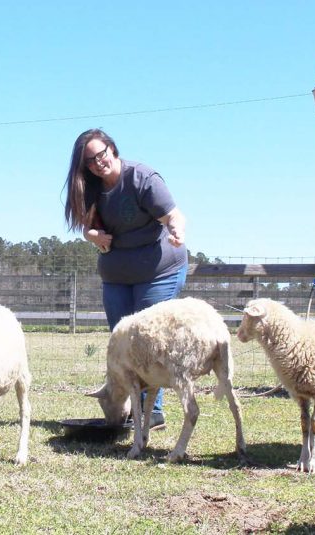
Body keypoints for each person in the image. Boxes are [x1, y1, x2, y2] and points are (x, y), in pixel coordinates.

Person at [63, 128, 188, 430]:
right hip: (117, 275)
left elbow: (174, 215)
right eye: (90, 161)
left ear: (112, 148)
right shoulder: (91, 187)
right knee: (122, 342)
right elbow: (87, 228)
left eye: (100, 154)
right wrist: (93, 235)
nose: (97, 163)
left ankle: (152, 412)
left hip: (158, 270)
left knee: (148, 340)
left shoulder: (142, 178)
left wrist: (176, 231)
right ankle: (129, 406)